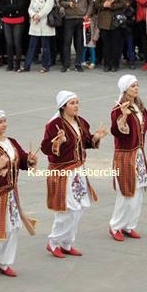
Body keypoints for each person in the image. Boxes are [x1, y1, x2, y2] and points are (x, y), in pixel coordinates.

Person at [40, 91, 109, 258]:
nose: (76, 105)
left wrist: (95, 137)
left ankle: (67, 242)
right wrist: (58, 142)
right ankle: (53, 242)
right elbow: (45, 148)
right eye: (72, 103)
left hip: (78, 170)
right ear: (63, 106)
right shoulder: (54, 125)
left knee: (81, 206)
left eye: (77, 102)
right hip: (62, 172)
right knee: (66, 209)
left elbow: (85, 142)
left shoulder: (81, 122)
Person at [0, 109, 38, 277]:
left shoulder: (12, 142)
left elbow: (22, 159)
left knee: (13, 228)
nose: (4, 124)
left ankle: (4, 262)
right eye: (0, 121)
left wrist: (29, 159)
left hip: (11, 193)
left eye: (4, 120)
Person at [108, 76, 147, 240]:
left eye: (137, 85)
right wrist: (124, 116)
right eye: (133, 86)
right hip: (125, 155)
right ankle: (115, 225)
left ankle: (129, 225)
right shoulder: (118, 108)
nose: (136, 88)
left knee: (138, 191)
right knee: (125, 192)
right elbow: (117, 131)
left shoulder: (139, 107)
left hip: (138, 154)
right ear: (125, 89)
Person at [24, 0, 56, 73]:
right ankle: (27, 65)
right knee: (32, 46)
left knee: (45, 46)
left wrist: (38, 16)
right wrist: (33, 15)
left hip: (44, 24)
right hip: (35, 23)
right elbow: (30, 8)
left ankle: (46, 65)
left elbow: (47, 9)